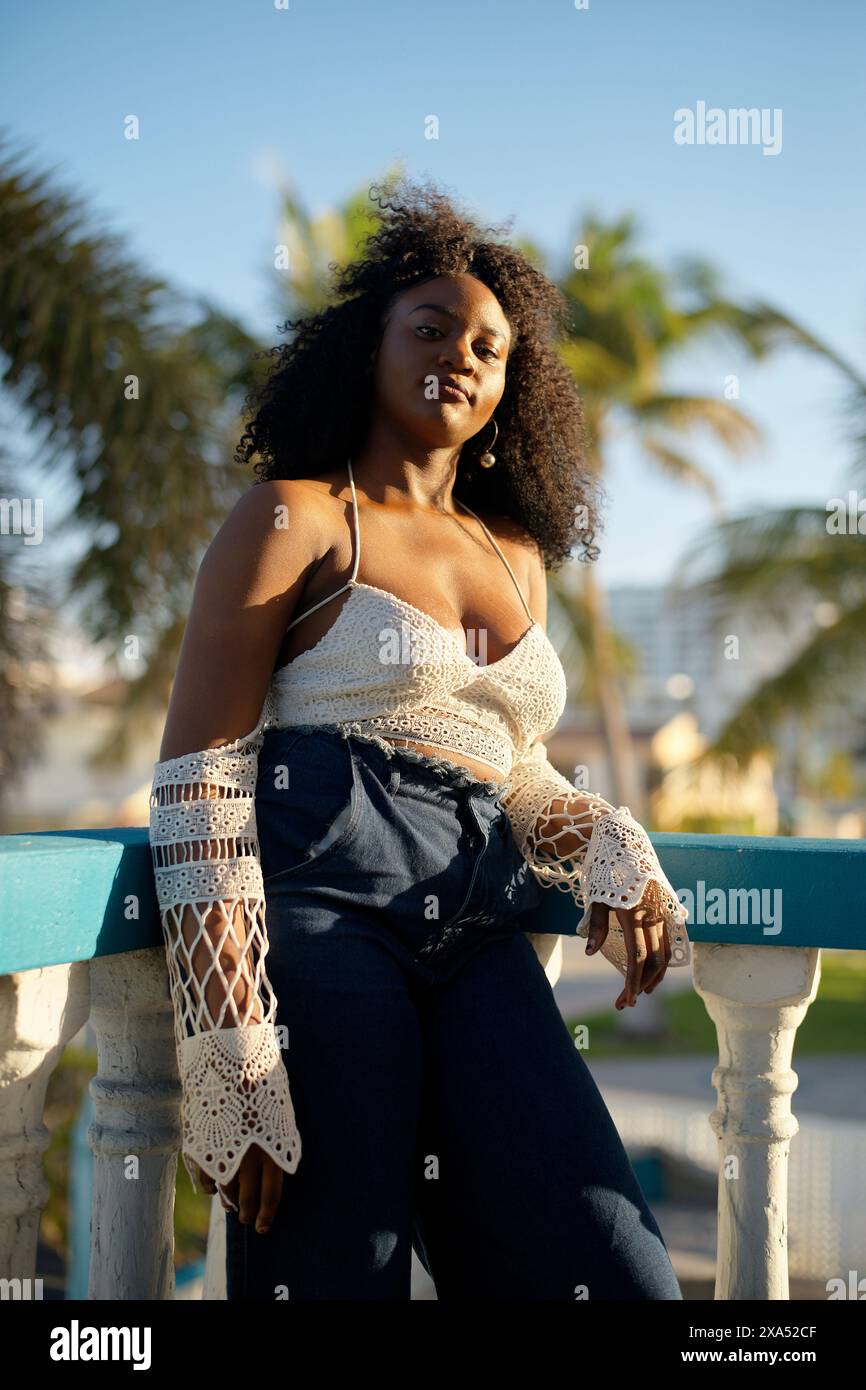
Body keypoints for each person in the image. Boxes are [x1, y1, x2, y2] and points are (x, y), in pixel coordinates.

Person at [148, 179, 690, 1300]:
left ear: (510, 386)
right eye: (430, 326)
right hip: (323, 909)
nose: (460, 354)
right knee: (336, 1270)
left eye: (489, 346)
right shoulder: (294, 516)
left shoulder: (514, 553)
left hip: (479, 920)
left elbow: (508, 759)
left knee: (614, 1269)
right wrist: (228, 1047)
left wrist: (597, 837)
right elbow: (200, 781)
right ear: (370, 344)